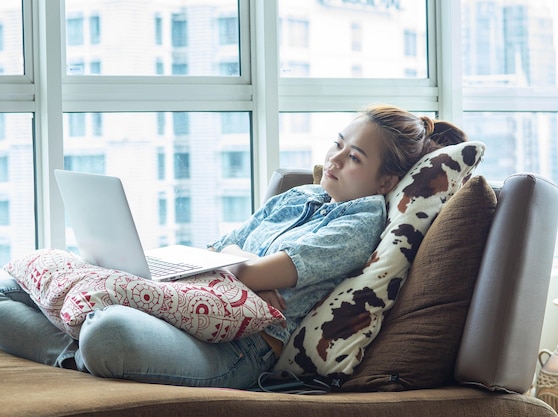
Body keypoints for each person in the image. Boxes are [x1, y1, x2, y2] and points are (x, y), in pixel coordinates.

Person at [0, 105, 467, 389]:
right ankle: (76, 351)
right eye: (338, 145)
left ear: (386, 179)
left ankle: (82, 344)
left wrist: (238, 274)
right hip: (196, 314)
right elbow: (223, 251)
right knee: (6, 292)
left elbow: (251, 274)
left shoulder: (361, 223)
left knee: (108, 331)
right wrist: (196, 268)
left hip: (239, 352)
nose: (335, 160)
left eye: (355, 158)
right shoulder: (299, 197)